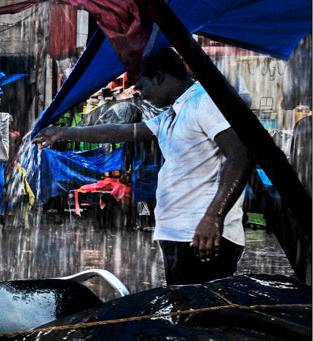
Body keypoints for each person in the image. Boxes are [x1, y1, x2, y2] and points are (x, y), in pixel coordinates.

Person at [33, 48, 255, 285]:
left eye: (141, 86)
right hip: (178, 233)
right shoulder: (173, 113)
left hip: (204, 234)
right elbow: (119, 131)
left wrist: (213, 217)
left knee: (206, 306)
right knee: (182, 305)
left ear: (159, 77)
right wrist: (63, 132)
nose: (140, 93)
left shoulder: (205, 101)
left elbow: (241, 156)